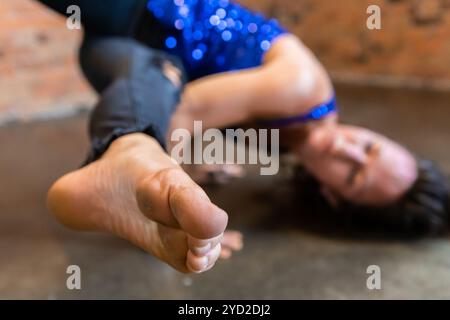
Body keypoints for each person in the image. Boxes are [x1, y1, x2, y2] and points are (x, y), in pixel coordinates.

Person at [38, 0, 448, 275]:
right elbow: (185, 110)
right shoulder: (303, 89)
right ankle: (128, 163)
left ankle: (126, 166)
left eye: (353, 174)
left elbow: (202, 113)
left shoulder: (290, 144)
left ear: (334, 197)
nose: (345, 149)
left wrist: (199, 163)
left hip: (132, 54)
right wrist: (185, 198)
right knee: (159, 80)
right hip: (145, 10)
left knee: (155, 76)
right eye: (369, 146)